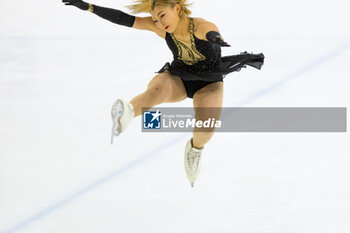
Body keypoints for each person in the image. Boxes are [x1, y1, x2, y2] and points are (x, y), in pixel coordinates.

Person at [62, 0, 264, 187]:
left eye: (162, 15)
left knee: (205, 130)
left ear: (177, 7)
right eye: (155, 19)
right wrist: (89, 7)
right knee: (156, 91)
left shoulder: (201, 26)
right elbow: (126, 19)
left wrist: (216, 39)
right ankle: (128, 112)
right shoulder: (162, 29)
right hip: (179, 76)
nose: (158, 23)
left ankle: (194, 150)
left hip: (208, 82)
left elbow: (210, 32)